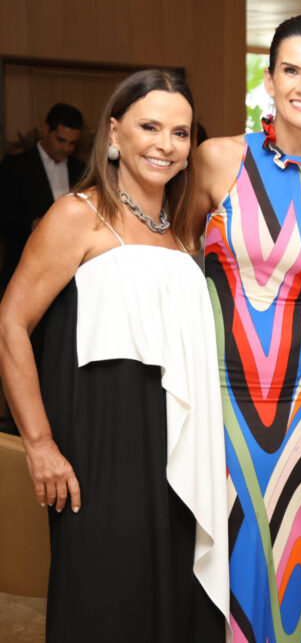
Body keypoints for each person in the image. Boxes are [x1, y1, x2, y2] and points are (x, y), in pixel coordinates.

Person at [0, 70, 228, 641]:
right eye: (149, 127)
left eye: (180, 132)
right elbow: (11, 321)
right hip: (99, 454)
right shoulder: (79, 214)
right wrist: (39, 443)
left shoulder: (184, 229)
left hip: (178, 451)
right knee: (106, 601)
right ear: (114, 133)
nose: (165, 144)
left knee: (172, 604)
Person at [196, 14, 301, 642]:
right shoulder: (218, 159)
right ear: (268, 80)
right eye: (291, 70)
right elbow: (176, 266)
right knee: (225, 553)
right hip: (220, 396)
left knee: (297, 556)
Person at [0, 103, 86, 294]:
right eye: (61, 140)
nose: (66, 148)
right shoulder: (15, 166)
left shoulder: (81, 170)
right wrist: (33, 224)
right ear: (46, 130)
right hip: (24, 272)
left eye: (72, 143)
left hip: (70, 275)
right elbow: (3, 217)